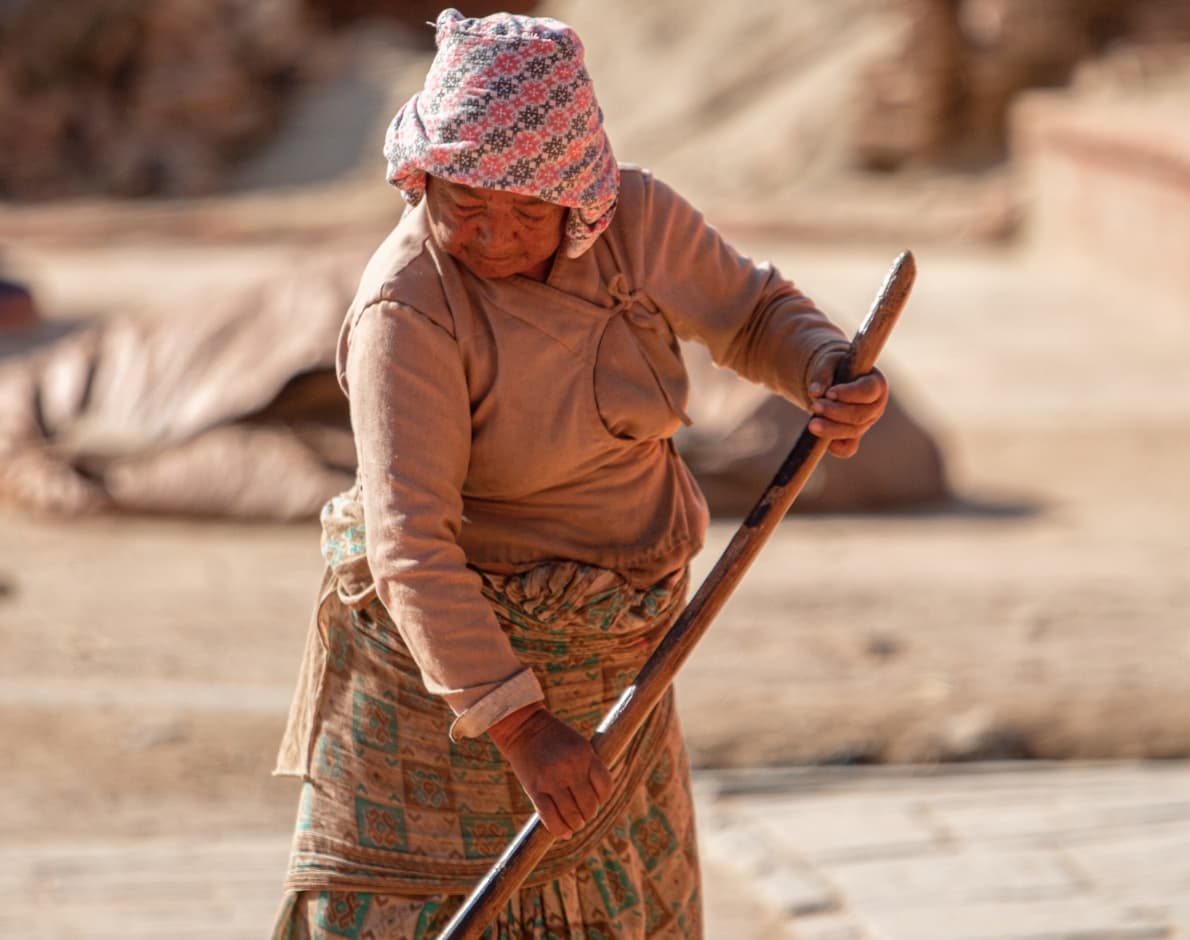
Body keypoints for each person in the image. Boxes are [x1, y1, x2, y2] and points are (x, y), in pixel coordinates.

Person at [271, 9, 889, 939]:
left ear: (578, 201)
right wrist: (520, 725)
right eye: (464, 204)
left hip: (618, 648)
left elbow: (752, 312)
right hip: (441, 657)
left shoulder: (635, 223)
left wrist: (822, 370)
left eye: (526, 212)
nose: (491, 236)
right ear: (422, 176)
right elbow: (412, 545)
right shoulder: (405, 310)